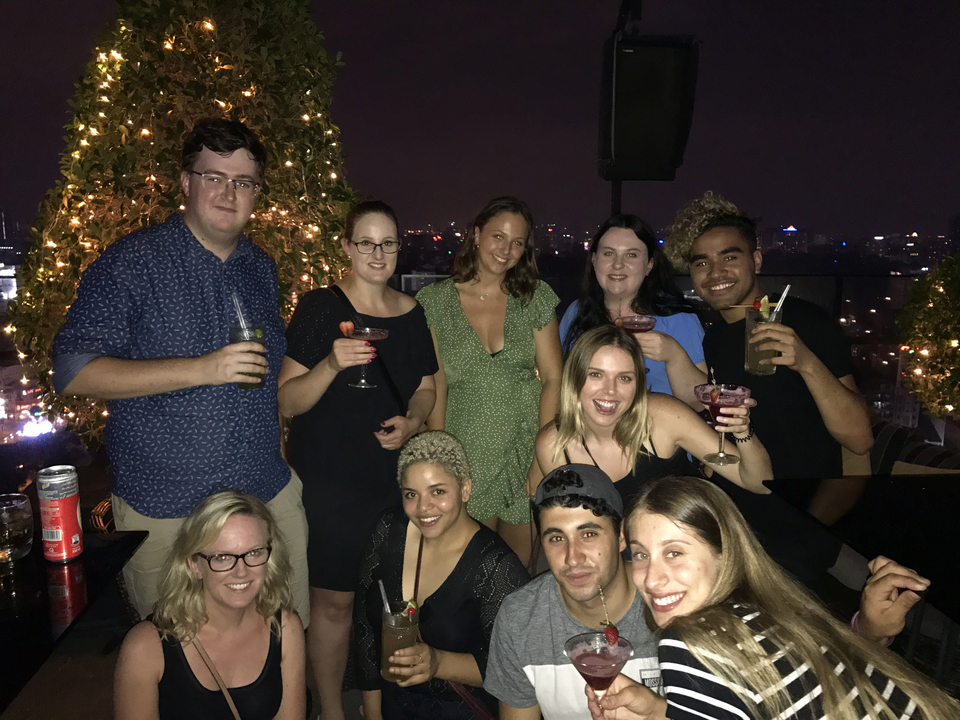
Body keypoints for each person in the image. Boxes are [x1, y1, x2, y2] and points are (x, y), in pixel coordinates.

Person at [51, 119, 309, 623]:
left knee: (283, 632)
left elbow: (266, 384)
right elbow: (73, 370)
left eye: (244, 182)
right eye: (215, 177)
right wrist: (201, 369)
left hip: (265, 493)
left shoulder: (259, 267)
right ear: (186, 182)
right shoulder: (133, 262)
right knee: (177, 652)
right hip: (169, 507)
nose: (229, 193)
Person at [585, 475, 959, 720]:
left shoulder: (688, 644)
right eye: (640, 554)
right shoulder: (763, 608)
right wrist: (659, 711)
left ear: (723, 553)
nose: (651, 578)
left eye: (674, 552)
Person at [278, 200, 438, 720]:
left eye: (387, 243)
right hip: (332, 482)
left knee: (396, 598)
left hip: (393, 481)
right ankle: (332, 710)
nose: (377, 253)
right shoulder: (320, 308)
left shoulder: (413, 312)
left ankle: (387, 703)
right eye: (366, 242)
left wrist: (413, 421)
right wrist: (331, 363)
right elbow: (287, 401)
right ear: (347, 247)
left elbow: (426, 387)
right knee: (334, 604)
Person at [663, 191, 873, 512]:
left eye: (729, 258)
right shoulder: (715, 337)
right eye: (702, 262)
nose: (715, 272)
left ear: (757, 261)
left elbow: (860, 439)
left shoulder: (805, 321)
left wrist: (806, 362)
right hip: (737, 499)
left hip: (796, 506)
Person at [417, 196, 563, 567]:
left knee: (518, 571)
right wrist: (445, 461)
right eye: (498, 237)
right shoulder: (435, 302)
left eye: (517, 242)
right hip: (466, 454)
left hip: (523, 450)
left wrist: (541, 458)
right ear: (477, 234)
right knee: (467, 571)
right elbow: (437, 385)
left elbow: (553, 378)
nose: (506, 250)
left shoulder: (533, 298)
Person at [354, 431, 529, 720]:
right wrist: (372, 713)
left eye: (438, 492)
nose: (423, 508)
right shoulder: (388, 530)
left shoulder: (496, 568)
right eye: (411, 494)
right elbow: (365, 628)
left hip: (460, 709)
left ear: (465, 489)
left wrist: (439, 663)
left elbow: (518, 670)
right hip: (392, 703)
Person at [485, 464, 662, 720]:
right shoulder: (520, 618)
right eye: (556, 538)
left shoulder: (668, 602)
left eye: (588, 534)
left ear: (622, 536)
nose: (572, 558)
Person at [114, 490, 306, 720]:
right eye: (222, 557)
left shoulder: (286, 628)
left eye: (254, 553)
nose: (241, 571)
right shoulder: (145, 647)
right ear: (193, 564)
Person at [535, 325, 773, 507]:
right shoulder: (553, 447)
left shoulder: (662, 416)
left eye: (624, 378)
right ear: (574, 379)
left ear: (638, 384)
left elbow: (759, 483)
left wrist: (743, 432)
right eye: (596, 374)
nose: (610, 391)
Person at [559, 214, 706, 409]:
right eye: (608, 253)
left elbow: (698, 404)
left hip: (659, 426)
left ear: (649, 265)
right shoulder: (577, 312)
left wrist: (674, 355)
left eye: (632, 255)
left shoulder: (678, 318)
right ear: (594, 260)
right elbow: (561, 382)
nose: (618, 264)